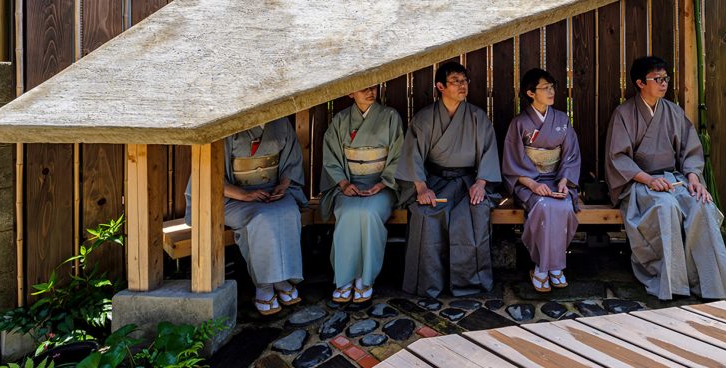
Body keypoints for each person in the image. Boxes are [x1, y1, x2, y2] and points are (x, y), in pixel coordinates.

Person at [605, 56, 726, 300]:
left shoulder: (673, 111)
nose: (663, 83)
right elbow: (619, 158)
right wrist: (648, 180)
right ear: (639, 83)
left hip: (673, 179)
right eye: (657, 79)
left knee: (702, 205)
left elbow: (690, 150)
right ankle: (672, 282)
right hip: (639, 183)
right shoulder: (624, 114)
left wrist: (693, 179)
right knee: (665, 206)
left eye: (665, 78)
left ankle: (707, 282)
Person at [395, 61, 501, 298]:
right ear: (440, 86)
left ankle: (470, 283)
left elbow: (488, 151)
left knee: (474, 213)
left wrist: (481, 183)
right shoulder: (424, 119)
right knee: (424, 215)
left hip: (467, 182)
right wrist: (421, 188)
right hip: (435, 181)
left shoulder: (477, 117)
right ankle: (429, 283)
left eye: (464, 81)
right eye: (456, 81)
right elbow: (413, 155)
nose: (462, 86)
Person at [184, 118, 307, 315]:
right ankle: (265, 284)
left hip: (272, 191)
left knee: (288, 212)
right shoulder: (227, 126)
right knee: (261, 219)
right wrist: (244, 195)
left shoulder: (281, 123)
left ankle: (282, 278)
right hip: (230, 197)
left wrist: (283, 185)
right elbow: (209, 175)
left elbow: (291, 163)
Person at [320, 86, 404, 304]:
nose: (370, 92)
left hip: (381, 187)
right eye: (363, 88)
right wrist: (343, 183)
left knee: (368, 213)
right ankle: (344, 277)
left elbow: (399, 153)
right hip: (349, 185)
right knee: (348, 213)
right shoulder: (340, 120)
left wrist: (384, 183)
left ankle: (365, 278)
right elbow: (331, 158)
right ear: (350, 93)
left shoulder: (390, 117)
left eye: (373, 87)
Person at [501, 68, 582, 292]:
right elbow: (512, 161)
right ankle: (542, 267)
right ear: (530, 93)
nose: (550, 91)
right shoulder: (519, 124)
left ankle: (553, 266)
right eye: (544, 88)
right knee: (544, 206)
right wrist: (534, 185)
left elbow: (571, 155)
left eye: (552, 87)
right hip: (529, 183)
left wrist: (565, 180)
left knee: (564, 205)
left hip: (556, 179)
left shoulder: (562, 120)